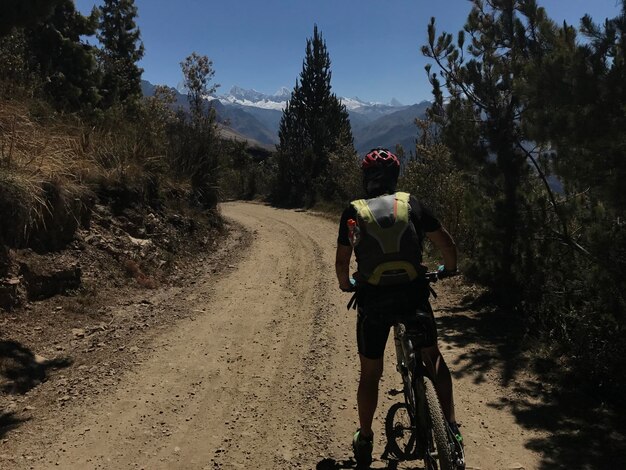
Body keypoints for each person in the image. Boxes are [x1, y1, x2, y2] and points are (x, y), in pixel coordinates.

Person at [335, 148, 462, 467]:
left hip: (373, 300)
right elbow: (446, 245)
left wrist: (345, 284)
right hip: (413, 295)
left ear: (366, 179)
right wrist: (449, 269)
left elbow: (342, 262)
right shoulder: (412, 203)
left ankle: (365, 439)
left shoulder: (354, 210)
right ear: (395, 178)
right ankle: (451, 430)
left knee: (370, 374)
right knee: (432, 358)